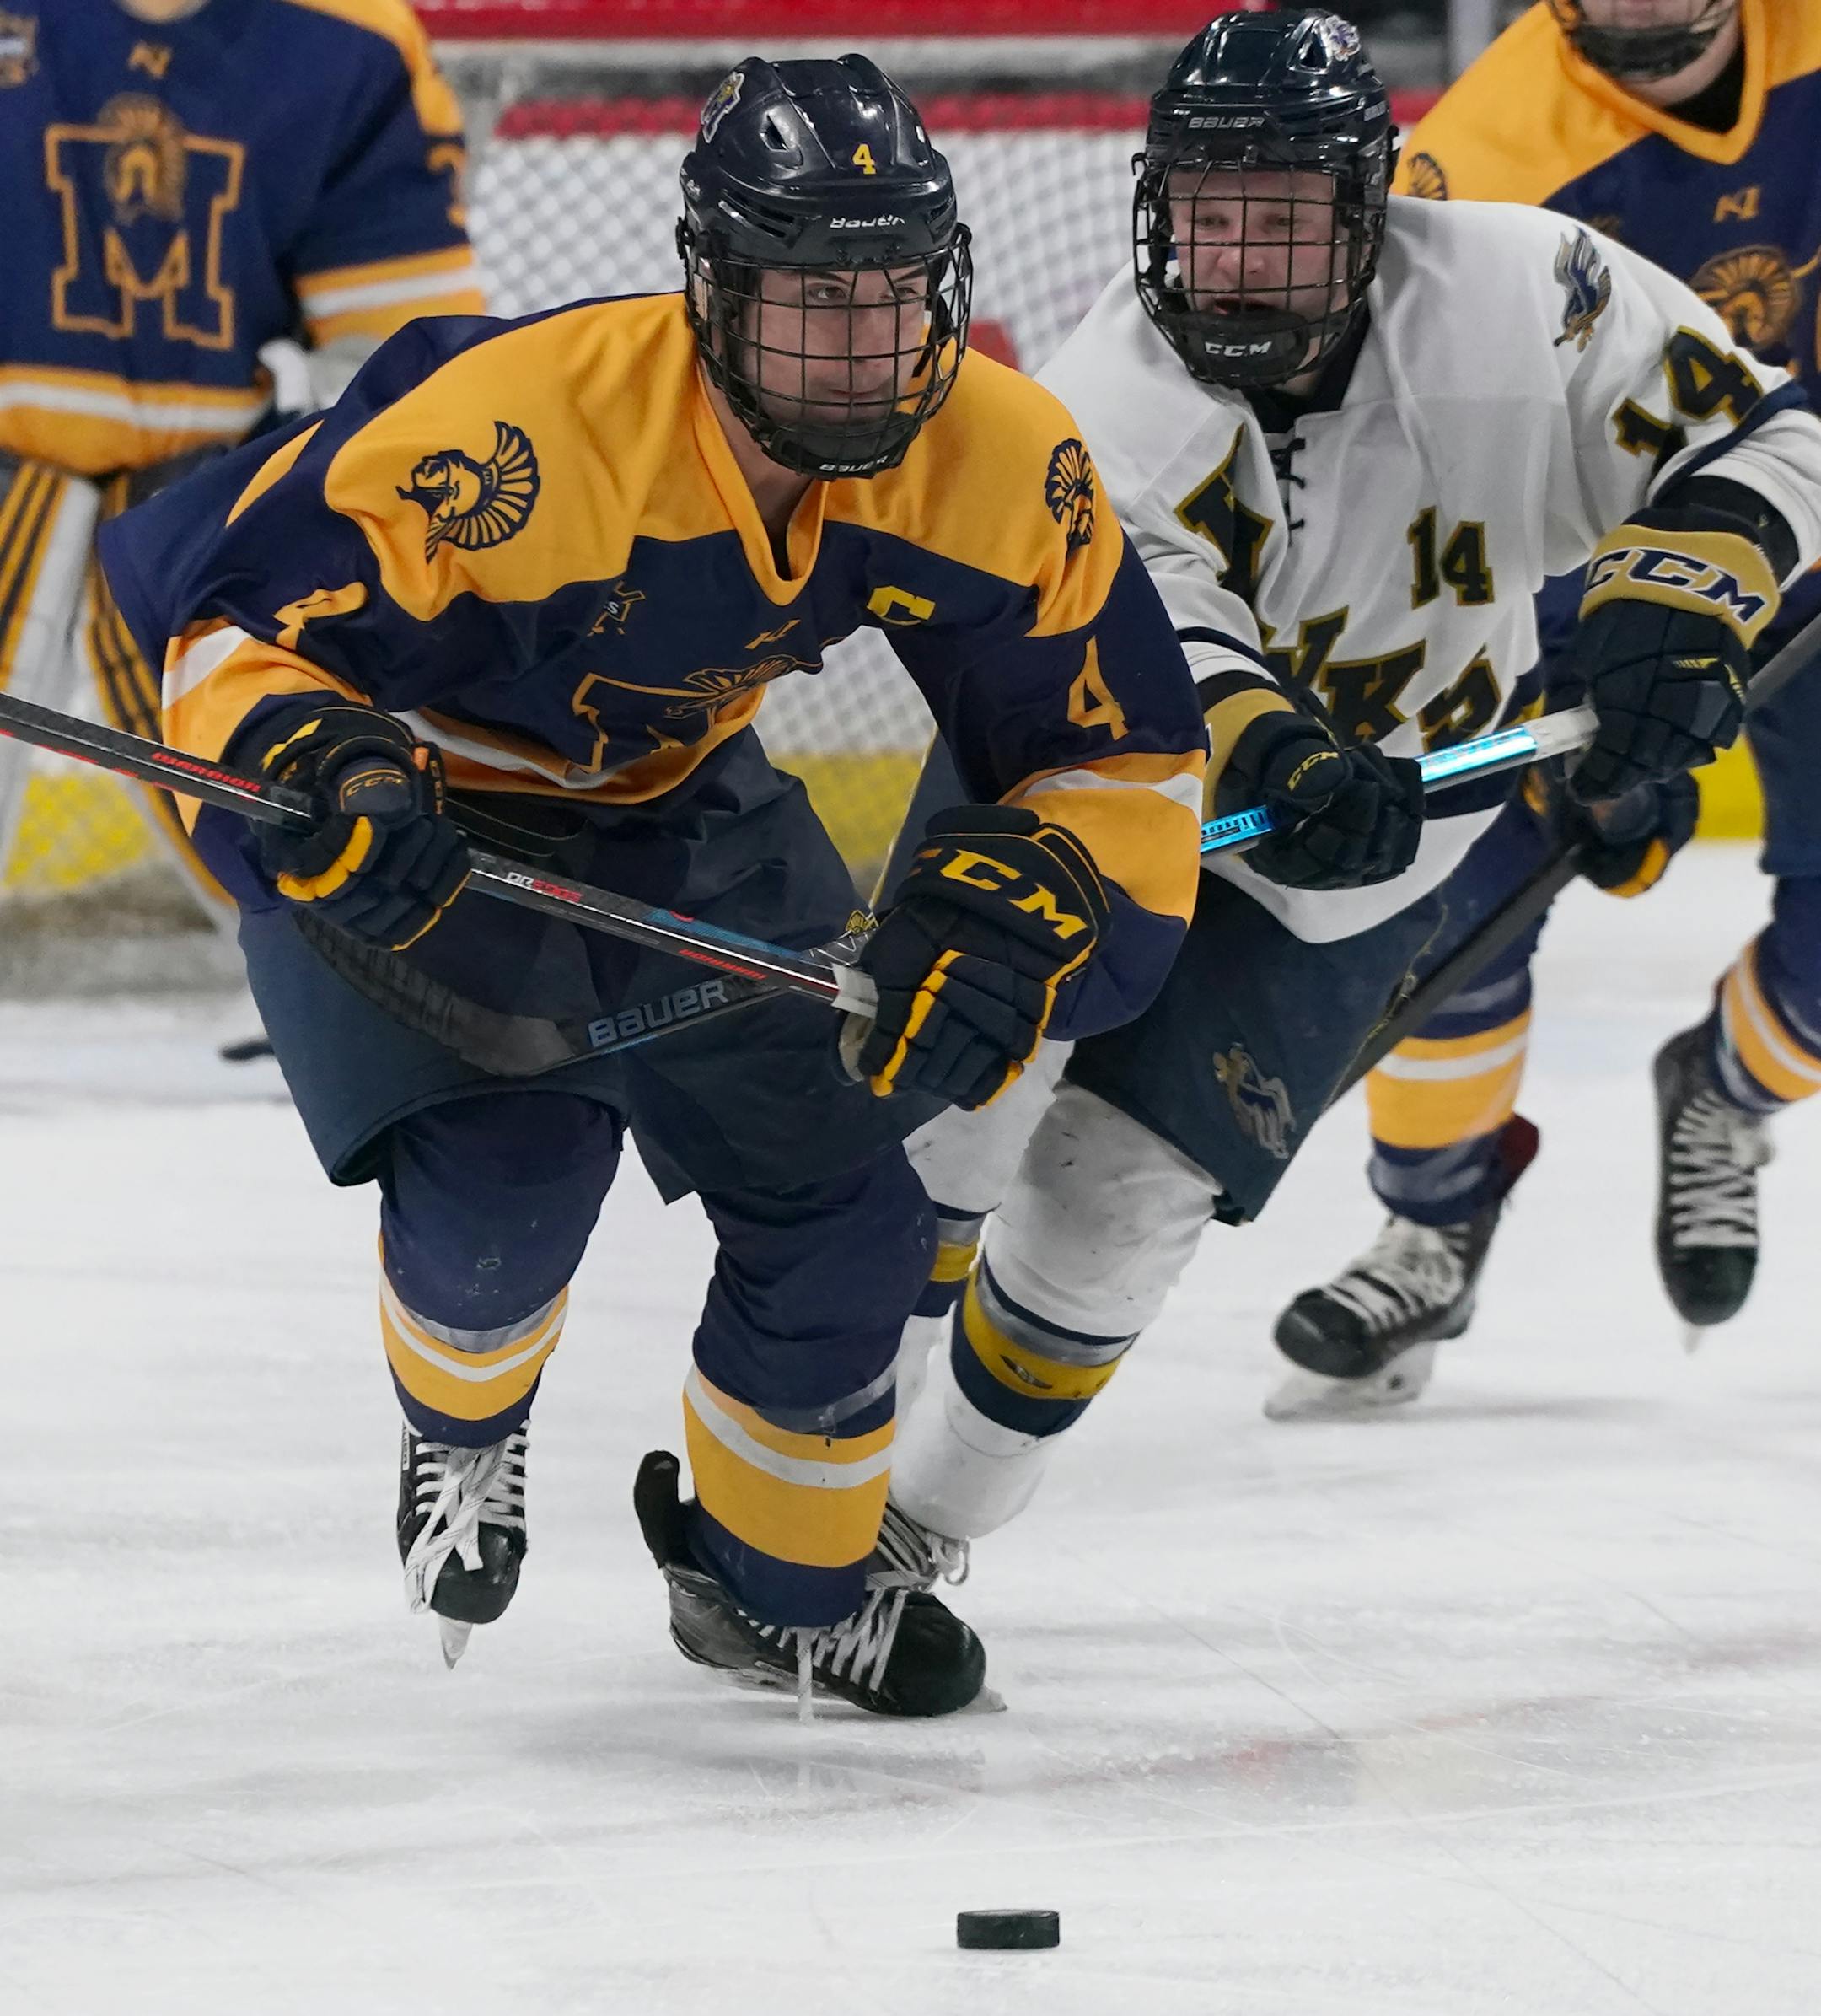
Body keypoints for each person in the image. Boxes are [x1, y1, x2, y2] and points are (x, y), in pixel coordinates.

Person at [94, 56, 1210, 1717]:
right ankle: (462, 1431)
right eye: (809, 304)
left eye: (894, 298)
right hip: (417, 792)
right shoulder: (520, 434)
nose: (859, 345)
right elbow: (239, 627)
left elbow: (1117, 756)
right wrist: (319, 770)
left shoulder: (991, 454)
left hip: (673, 792)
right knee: (511, 1163)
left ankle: (773, 1588)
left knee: (849, 1202)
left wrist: (1040, 909)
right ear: (714, 293)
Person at [881, 8, 1821, 1556]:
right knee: (940, 1131)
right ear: (1153, 209)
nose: (1238, 257)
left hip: (1380, 855)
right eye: (1208, 216)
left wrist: (1683, 589)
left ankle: (916, 1543)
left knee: (1117, 1210)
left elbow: (1772, 440)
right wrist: (1273, 751)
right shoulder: (1092, 409)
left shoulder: (1529, 297)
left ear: (1371, 212)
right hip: (1087, 801)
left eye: (1284, 218)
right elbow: (1147, 647)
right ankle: (802, 1494)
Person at [1279, 0, 1821, 1394]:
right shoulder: (1482, 162)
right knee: (1450, 894)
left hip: (1801, 526)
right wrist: (1572, 695)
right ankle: (1431, 1223)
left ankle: (1726, 1093)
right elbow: (1434, 472)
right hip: (1565, 578)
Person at [0, 0, 484, 955]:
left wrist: (304, 491)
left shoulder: (352, 35)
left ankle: (364, 999)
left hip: (210, 490)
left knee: (294, 817)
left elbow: (403, 351)